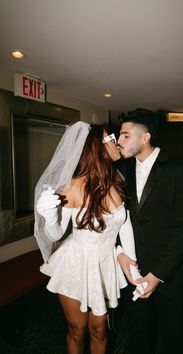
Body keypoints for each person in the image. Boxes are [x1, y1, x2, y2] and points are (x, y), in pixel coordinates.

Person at [34, 121, 142, 354]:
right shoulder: (72, 187)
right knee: (77, 329)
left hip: (105, 265)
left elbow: (124, 224)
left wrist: (131, 263)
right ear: (95, 147)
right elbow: (56, 234)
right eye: (110, 138)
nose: (116, 141)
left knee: (100, 329)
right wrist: (50, 217)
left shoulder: (116, 180)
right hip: (76, 264)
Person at [116, 108, 183, 354]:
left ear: (145, 137)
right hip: (133, 273)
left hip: (168, 275)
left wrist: (157, 274)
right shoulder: (122, 171)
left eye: (125, 135)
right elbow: (117, 220)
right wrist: (120, 256)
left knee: (175, 338)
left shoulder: (180, 170)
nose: (119, 141)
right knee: (138, 336)